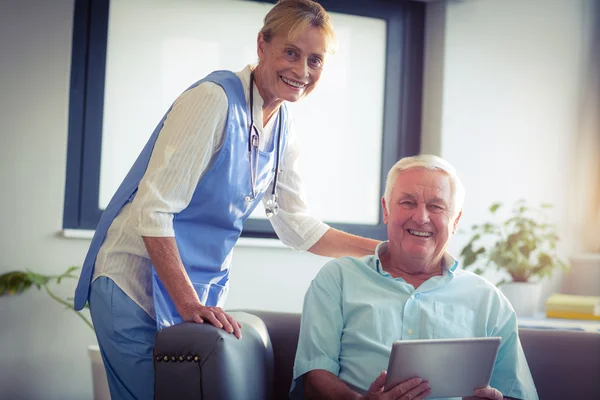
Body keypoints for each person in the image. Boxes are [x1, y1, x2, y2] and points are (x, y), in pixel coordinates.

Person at [73, 1, 380, 399]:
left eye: (315, 60)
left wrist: (383, 252)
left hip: (188, 290)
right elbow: (153, 209)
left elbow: (297, 227)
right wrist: (187, 302)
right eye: (291, 52)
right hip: (132, 283)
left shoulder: (284, 127)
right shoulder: (212, 100)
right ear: (262, 45)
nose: (302, 71)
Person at [291, 154, 538, 400]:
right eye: (408, 202)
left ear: (456, 221)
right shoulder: (338, 279)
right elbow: (314, 381)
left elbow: (516, 393)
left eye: (436, 206)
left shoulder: (488, 299)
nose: (421, 217)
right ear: (386, 210)